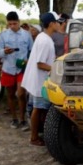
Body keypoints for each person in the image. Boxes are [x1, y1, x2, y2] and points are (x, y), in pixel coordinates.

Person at [21, 11, 60, 146]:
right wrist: (56, 69)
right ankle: (33, 137)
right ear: (51, 24)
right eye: (57, 22)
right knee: (38, 109)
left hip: (37, 80)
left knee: (39, 109)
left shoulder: (42, 37)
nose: (59, 24)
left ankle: (39, 133)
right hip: (40, 81)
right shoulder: (45, 40)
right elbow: (40, 64)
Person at [0, 11, 33, 129]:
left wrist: (29, 62)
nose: (12, 26)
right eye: (10, 24)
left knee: (21, 94)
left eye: (14, 23)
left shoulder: (27, 35)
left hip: (22, 68)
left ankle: (23, 119)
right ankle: (14, 118)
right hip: (8, 68)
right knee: (10, 94)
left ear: (19, 22)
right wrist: (4, 52)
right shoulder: (3, 35)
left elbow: (31, 51)